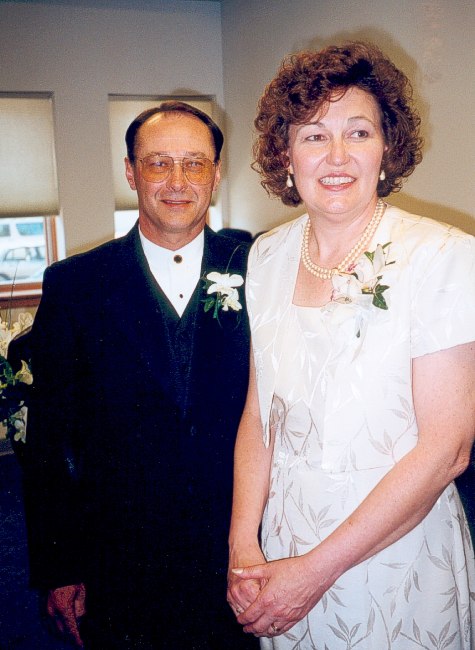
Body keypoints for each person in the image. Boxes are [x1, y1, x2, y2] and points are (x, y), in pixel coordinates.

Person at [227, 42, 475, 649]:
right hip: (283, 546)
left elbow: (446, 450)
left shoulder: (443, 257)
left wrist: (315, 572)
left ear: (387, 147)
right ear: (285, 154)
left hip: (394, 555)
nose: (336, 156)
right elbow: (259, 415)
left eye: (358, 132)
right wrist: (242, 545)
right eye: (314, 136)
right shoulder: (266, 256)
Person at [21, 101, 258, 649]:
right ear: (130, 172)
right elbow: (48, 438)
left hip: (237, 549)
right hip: (119, 559)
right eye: (158, 163)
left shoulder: (259, 267)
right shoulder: (74, 284)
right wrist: (59, 566)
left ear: (216, 173)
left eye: (194, 163)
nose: (177, 181)